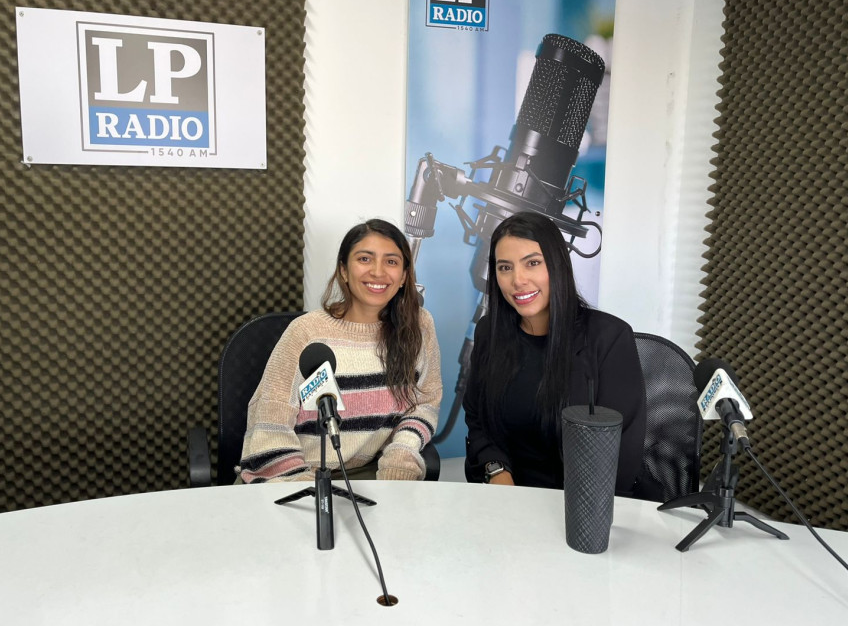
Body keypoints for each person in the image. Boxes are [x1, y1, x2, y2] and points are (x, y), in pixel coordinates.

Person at [237, 219, 442, 483]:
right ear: (344, 270)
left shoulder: (420, 326)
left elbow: (425, 403)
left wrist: (401, 453)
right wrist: (304, 490)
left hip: (370, 478)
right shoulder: (306, 333)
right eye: (365, 259)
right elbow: (269, 424)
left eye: (391, 262)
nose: (378, 272)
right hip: (295, 478)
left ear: (403, 276)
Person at [464, 211, 646, 495]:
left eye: (532, 263)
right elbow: (478, 418)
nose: (518, 280)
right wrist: (496, 470)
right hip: (505, 501)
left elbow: (619, 452)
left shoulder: (609, 338)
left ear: (557, 264)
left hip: (583, 510)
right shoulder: (490, 332)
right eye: (505, 267)